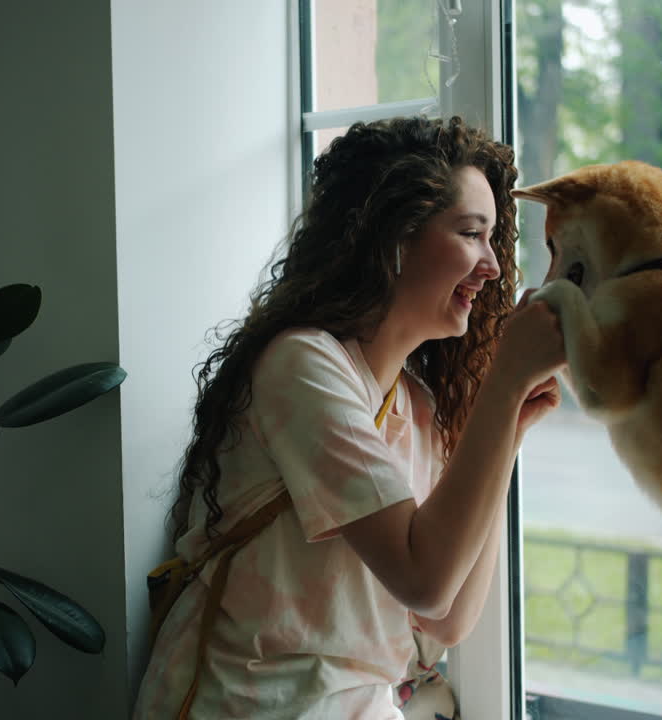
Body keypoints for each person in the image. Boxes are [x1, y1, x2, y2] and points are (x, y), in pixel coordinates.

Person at [133, 115, 566, 719]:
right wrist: (504, 385)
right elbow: (424, 582)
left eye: (492, 239)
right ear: (395, 239)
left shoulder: (416, 406)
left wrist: (510, 427)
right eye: (471, 234)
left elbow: (447, 619)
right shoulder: (301, 365)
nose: (492, 266)